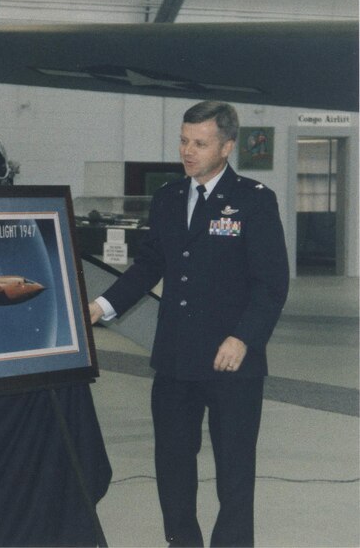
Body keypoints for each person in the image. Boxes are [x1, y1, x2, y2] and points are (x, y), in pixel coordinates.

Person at [89, 101, 289, 547]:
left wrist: (244, 338)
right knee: (173, 469)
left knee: (235, 473)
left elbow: (272, 283)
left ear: (227, 146)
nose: (187, 151)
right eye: (183, 140)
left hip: (231, 362)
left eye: (200, 143)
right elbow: (148, 266)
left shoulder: (254, 201)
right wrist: (100, 307)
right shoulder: (169, 198)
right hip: (176, 360)